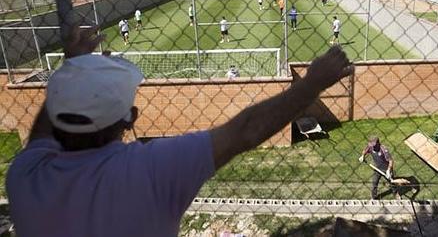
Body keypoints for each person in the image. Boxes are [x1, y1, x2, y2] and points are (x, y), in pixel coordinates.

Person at [6, 25, 353, 237]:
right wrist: (312, 84)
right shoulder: (152, 169)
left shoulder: (24, 176)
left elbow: (43, 130)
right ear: (130, 119)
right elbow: (246, 131)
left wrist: (73, 68)